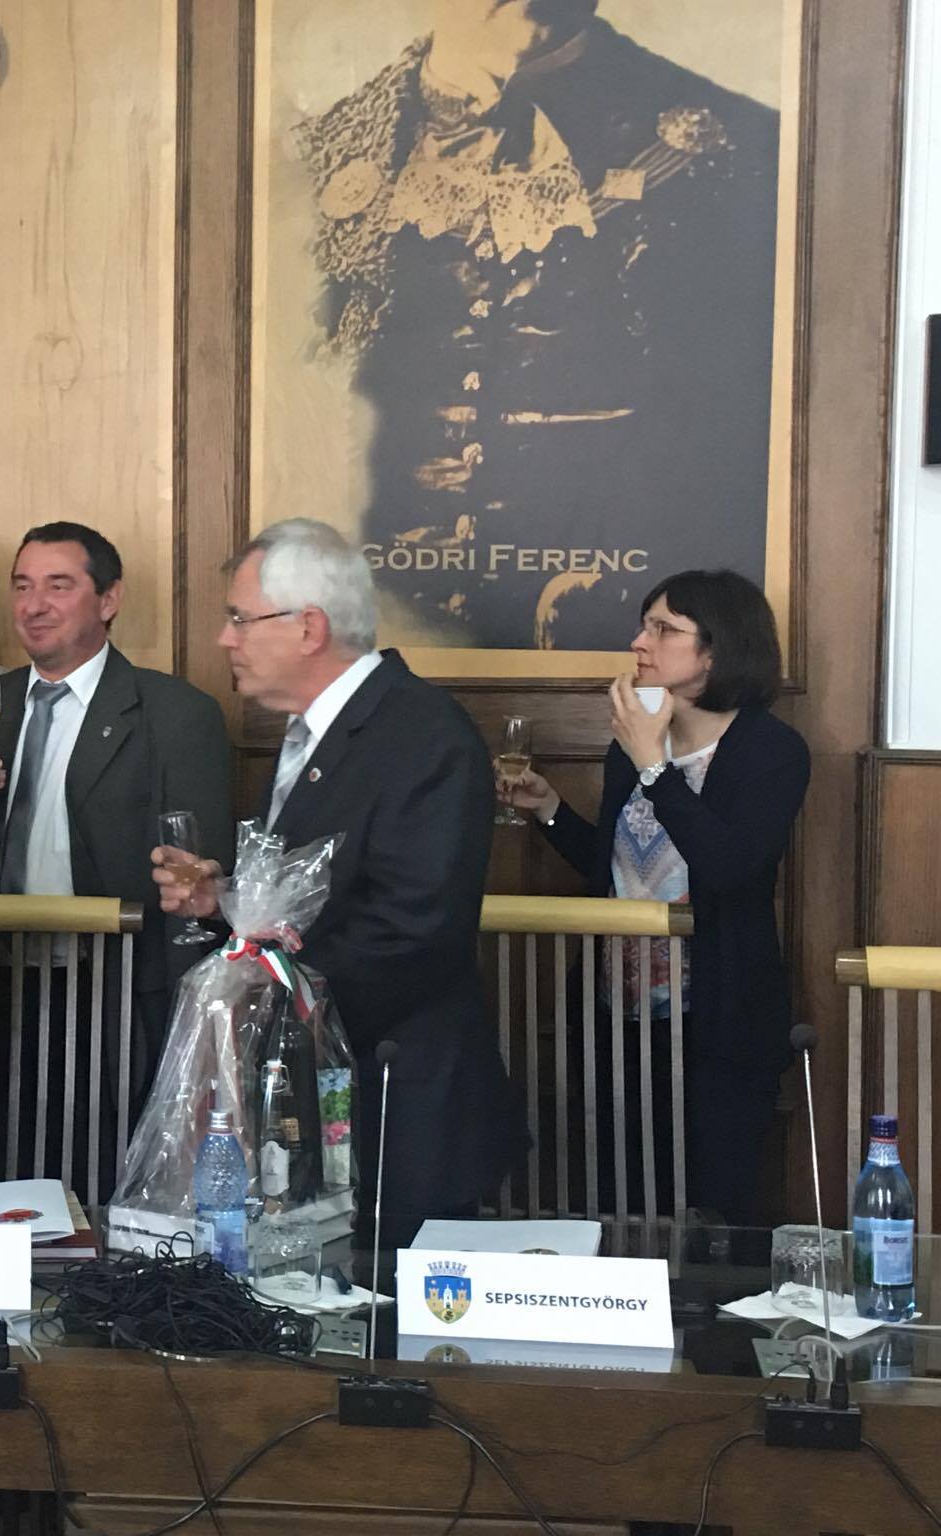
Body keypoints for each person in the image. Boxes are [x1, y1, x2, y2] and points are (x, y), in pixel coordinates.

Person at [292, 0, 781, 650]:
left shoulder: (737, 148)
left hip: (615, 619)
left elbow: (733, 432)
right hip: (374, 625)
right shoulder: (318, 151)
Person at [153, 518, 522, 1247]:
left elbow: (412, 931)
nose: (225, 639)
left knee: (390, 1315)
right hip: (320, 1100)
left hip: (398, 1111)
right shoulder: (314, 730)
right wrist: (226, 903)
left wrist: (265, 983)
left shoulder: (424, 735)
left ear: (308, 627)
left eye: (239, 618)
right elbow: (311, 901)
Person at [504, 569, 806, 1222]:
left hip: (717, 1024)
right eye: (644, 625)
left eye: (663, 629)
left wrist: (652, 765)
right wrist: (551, 809)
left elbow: (728, 870)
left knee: (711, 1215)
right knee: (623, 1204)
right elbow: (620, 874)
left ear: (716, 649)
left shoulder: (771, 751)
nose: (639, 642)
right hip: (618, 1022)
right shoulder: (636, 746)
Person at [0, 522, 235, 1181]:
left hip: (119, 995)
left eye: (59, 586)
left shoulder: (176, 714)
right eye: (22, 586)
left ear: (109, 600)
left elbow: (201, 880)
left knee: (105, 1186)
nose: (34, 605)